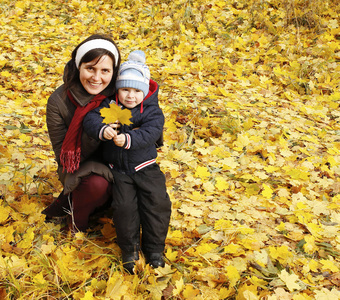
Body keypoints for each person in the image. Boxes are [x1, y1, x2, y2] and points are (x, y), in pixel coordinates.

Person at [83, 50, 171, 273]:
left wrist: (130, 138)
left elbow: (151, 132)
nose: (130, 96)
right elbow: (91, 119)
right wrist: (103, 130)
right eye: (125, 89)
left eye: (136, 90)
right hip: (120, 171)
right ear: (117, 89)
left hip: (145, 168)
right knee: (125, 209)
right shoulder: (111, 107)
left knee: (156, 205)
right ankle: (129, 250)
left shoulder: (151, 111)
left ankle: (154, 250)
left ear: (144, 91)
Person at [42, 34, 121, 232]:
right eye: (90, 69)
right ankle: (77, 222)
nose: (96, 78)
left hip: (119, 162)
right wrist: (97, 130)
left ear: (114, 72)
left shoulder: (123, 94)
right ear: (79, 67)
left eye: (105, 70)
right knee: (97, 185)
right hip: (79, 166)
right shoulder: (58, 102)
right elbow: (63, 157)